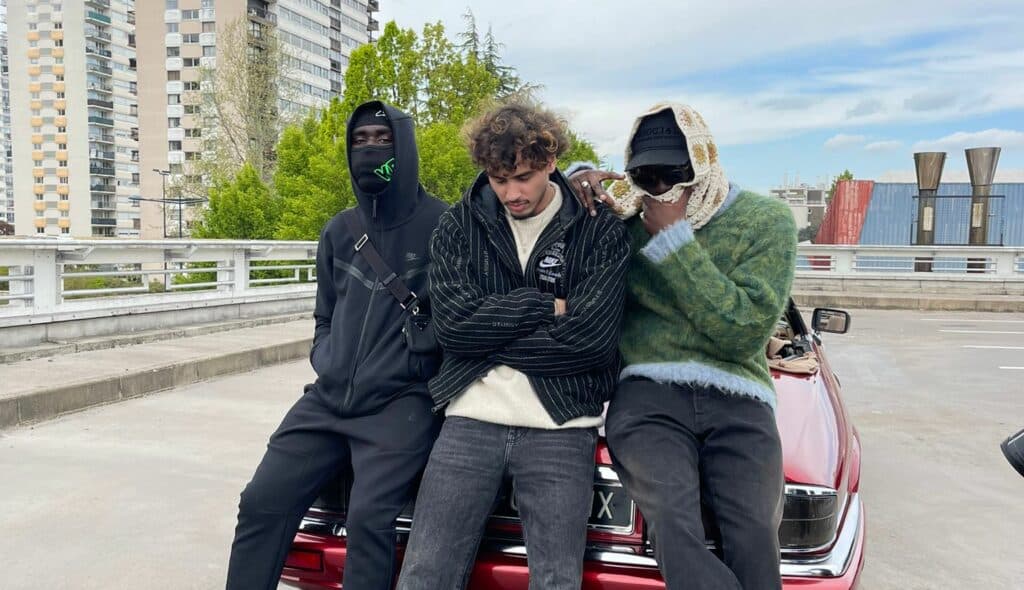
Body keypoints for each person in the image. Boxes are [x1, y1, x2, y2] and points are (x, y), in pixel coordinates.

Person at [395, 102, 630, 590]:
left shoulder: (598, 227)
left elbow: (592, 341)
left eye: (523, 177)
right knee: (424, 575)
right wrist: (546, 306)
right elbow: (454, 330)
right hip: (470, 417)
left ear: (551, 162)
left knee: (557, 582)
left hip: (563, 423)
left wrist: (490, 335)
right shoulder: (459, 225)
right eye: (499, 179)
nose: (511, 193)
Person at [571, 102, 798, 590]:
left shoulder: (767, 221)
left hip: (740, 394)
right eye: (645, 176)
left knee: (756, 535)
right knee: (673, 524)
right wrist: (574, 180)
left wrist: (675, 242)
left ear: (703, 161)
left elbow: (742, 332)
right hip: (647, 394)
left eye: (673, 174)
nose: (659, 189)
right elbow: (557, 225)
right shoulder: (629, 220)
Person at [225, 100, 448, 590]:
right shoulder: (338, 230)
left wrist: (415, 370)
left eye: (383, 140)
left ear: (405, 146)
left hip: (400, 404)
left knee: (369, 520)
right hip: (327, 402)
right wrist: (326, 360)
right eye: (359, 140)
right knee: (260, 501)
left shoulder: (444, 225)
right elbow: (324, 315)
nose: (370, 149)